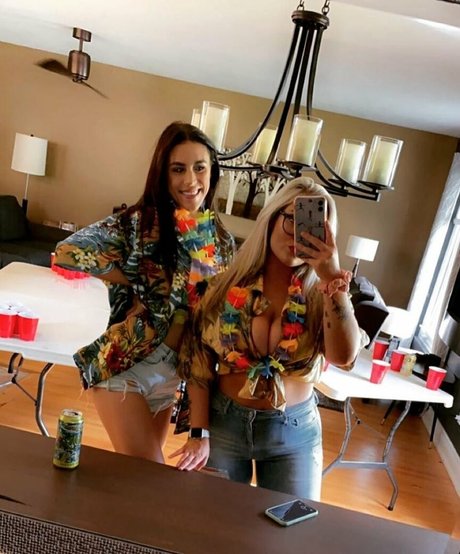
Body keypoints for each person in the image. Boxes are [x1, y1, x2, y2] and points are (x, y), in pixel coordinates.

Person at [171, 176, 367, 499]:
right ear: (272, 218)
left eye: (313, 227)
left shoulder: (325, 296)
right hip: (225, 424)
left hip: (295, 435)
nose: (299, 235)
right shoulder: (224, 286)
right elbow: (198, 361)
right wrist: (198, 432)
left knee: (291, 526)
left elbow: (344, 356)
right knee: (213, 521)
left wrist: (332, 278)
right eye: (292, 220)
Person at [54, 121, 233, 463]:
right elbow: (68, 251)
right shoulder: (141, 222)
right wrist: (138, 281)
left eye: (199, 168)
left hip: (173, 376)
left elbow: (210, 322)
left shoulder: (220, 240)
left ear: (212, 171)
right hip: (128, 365)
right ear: (163, 174)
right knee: (151, 476)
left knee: (139, 481)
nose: (190, 180)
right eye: (178, 169)